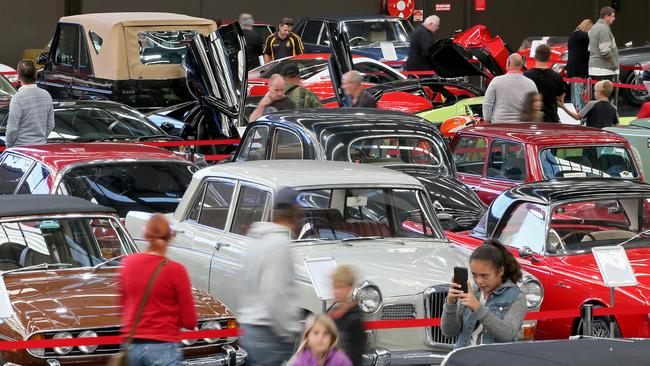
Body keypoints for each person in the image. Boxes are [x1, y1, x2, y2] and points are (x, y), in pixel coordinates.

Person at [119, 214, 197, 365]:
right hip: (163, 347)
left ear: (145, 235)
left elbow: (122, 308)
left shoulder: (127, 264)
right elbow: (189, 321)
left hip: (132, 347)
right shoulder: (176, 270)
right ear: (170, 237)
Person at [238, 188, 302, 366]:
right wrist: (288, 330)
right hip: (269, 335)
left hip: (250, 329)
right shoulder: (279, 245)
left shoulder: (257, 240)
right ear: (296, 211)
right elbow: (275, 294)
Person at [441, 239, 527, 349]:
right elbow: (449, 332)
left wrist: (478, 308)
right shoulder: (472, 292)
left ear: (500, 271)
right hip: (464, 357)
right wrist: (450, 304)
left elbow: (508, 334)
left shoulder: (517, 297)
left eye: (484, 276)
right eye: (474, 275)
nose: (479, 281)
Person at [5, 60, 54, 148]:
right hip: (41, 148)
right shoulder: (46, 95)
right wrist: (40, 140)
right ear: (35, 75)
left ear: (18, 75)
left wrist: (9, 147)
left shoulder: (17, 98)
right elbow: (50, 124)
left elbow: (12, 130)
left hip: (21, 149)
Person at [482, 54, 538, 123]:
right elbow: (535, 108)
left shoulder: (496, 81)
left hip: (499, 127)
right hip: (522, 128)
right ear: (521, 65)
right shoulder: (531, 84)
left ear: (508, 63)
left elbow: (487, 104)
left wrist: (487, 121)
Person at [328, 266, 365, 366]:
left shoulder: (355, 319)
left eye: (340, 287)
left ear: (350, 288)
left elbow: (356, 355)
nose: (336, 291)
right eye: (334, 286)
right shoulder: (332, 314)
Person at [524, 44, 566, 122]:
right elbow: (561, 98)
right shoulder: (557, 77)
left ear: (535, 56)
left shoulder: (526, 75)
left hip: (531, 120)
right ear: (549, 57)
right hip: (551, 118)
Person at [589, 6, 619, 99]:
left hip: (596, 68)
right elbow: (605, 51)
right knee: (604, 98)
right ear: (607, 16)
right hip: (603, 69)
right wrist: (613, 64)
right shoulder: (603, 29)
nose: (614, 19)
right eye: (613, 16)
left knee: (597, 97)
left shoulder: (594, 27)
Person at [566, 19, 593, 111]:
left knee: (578, 94)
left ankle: (579, 111)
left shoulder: (575, 35)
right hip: (578, 70)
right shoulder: (578, 35)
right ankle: (579, 113)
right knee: (578, 94)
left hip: (576, 69)